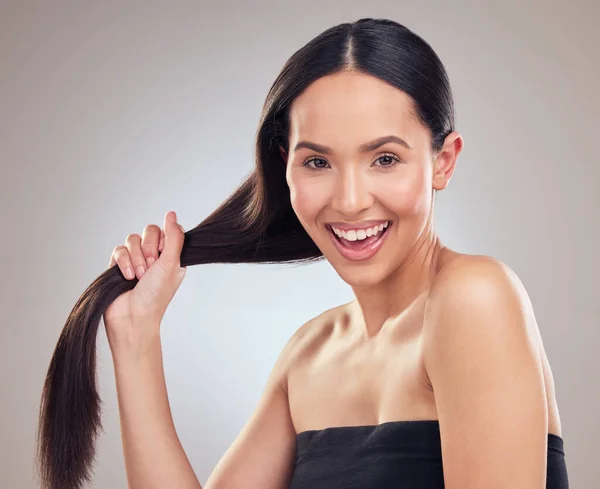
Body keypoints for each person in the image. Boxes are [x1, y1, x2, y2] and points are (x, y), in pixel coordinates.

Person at [37, 17, 569, 489]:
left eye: (384, 158)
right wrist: (136, 337)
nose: (351, 199)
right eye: (318, 163)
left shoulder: (474, 299)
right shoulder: (309, 355)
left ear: (443, 162)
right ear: (284, 168)